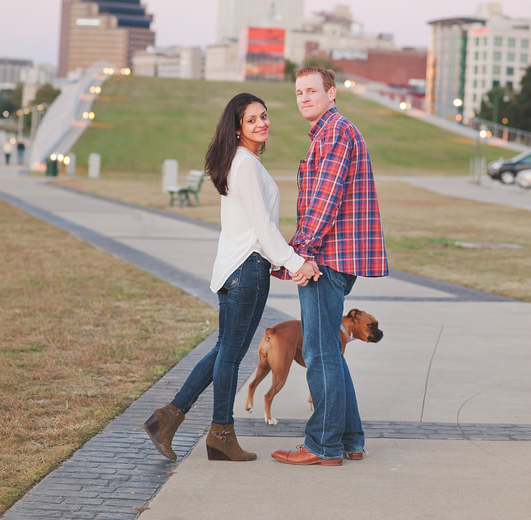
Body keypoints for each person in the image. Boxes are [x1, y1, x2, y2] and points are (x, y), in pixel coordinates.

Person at [143, 92, 319, 462]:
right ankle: (220, 432)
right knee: (230, 355)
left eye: (264, 116)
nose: (262, 123)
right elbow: (262, 227)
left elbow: (257, 225)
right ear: (238, 129)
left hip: (235, 269)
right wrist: (295, 262)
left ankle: (169, 417)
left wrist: (284, 258)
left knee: (226, 350)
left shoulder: (240, 161)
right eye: (252, 120)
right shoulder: (246, 165)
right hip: (247, 270)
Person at [272, 66, 388, 467]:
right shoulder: (329, 132)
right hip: (335, 257)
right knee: (331, 356)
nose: (304, 97)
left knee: (320, 353)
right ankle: (350, 440)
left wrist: (302, 255)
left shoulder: (335, 132)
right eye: (299, 92)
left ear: (332, 92)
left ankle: (322, 445)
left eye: (312, 90)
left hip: (326, 260)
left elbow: (325, 199)